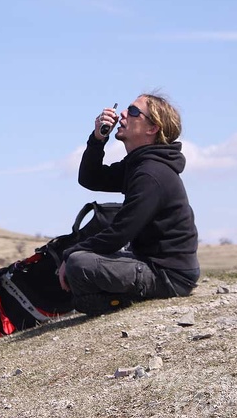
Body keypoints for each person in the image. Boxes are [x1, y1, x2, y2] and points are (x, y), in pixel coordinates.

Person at [57, 92, 199, 315]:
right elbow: (90, 178)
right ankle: (107, 299)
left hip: (168, 275)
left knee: (78, 263)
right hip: (150, 263)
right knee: (77, 255)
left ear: (152, 128)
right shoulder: (139, 165)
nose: (123, 113)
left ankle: (117, 303)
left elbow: (120, 234)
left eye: (133, 111)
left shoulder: (151, 174)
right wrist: (97, 139)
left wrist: (69, 256)